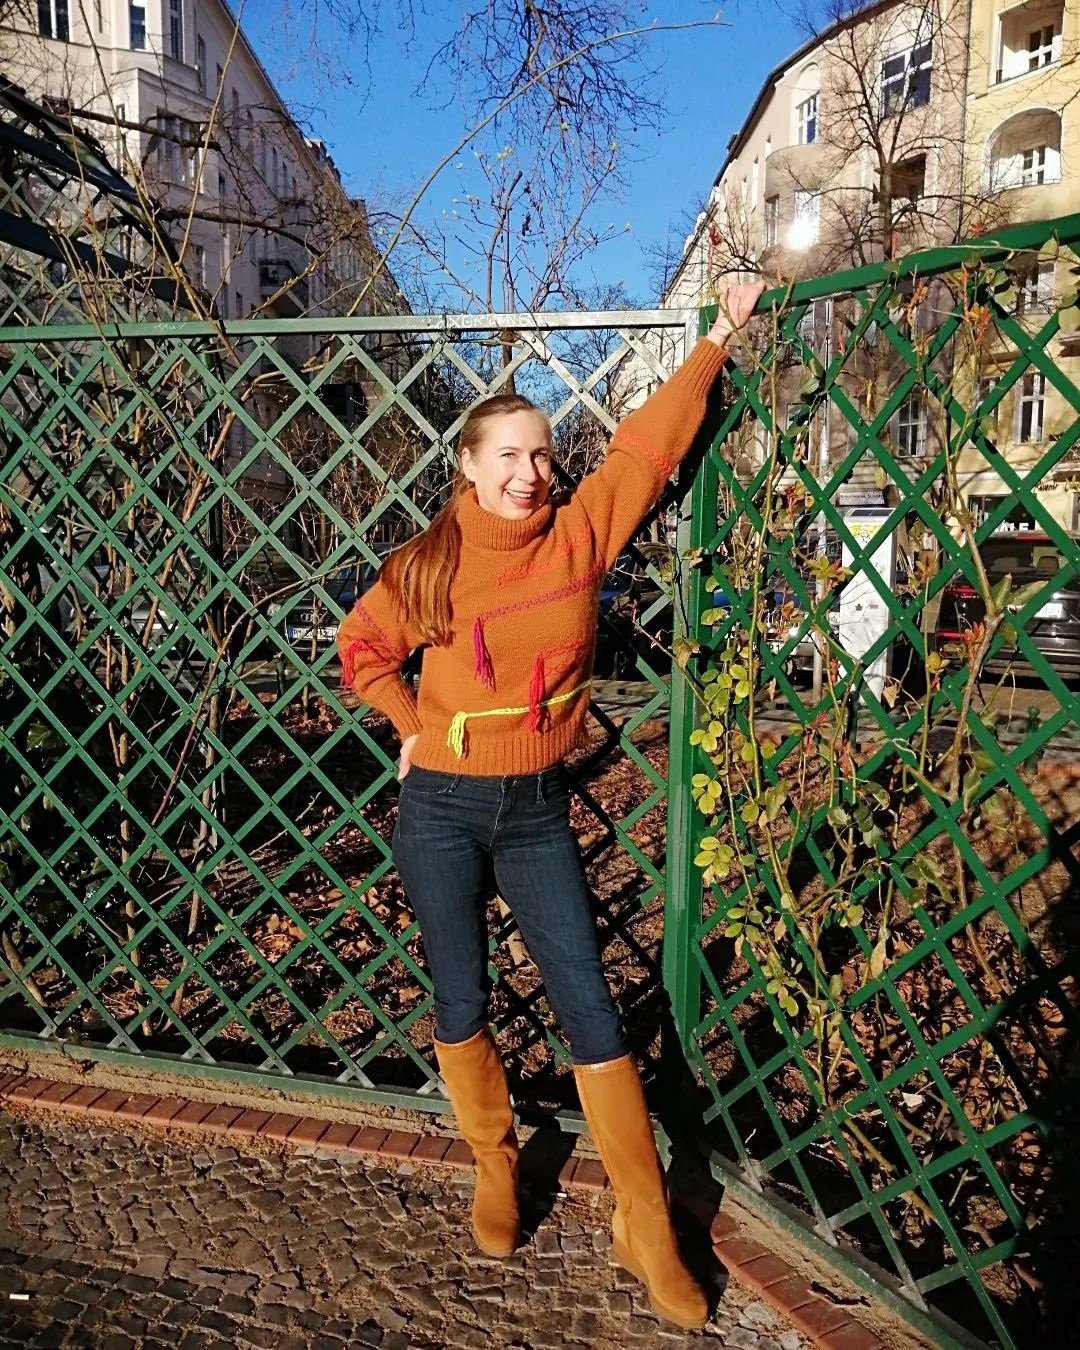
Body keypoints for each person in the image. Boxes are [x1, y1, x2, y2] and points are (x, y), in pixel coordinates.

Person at [337, 282, 765, 1330]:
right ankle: (494, 1164)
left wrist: (717, 338)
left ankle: (644, 1224)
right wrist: (410, 723)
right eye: (509, 456)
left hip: (533, 808)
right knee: (461, 998)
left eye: (540, 455)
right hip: (440, 808)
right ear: (469, 466)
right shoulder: (429, 565)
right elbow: (362, 647)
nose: (532, 472)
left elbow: (645, 454)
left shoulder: (577, 540)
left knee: (589, 1003)